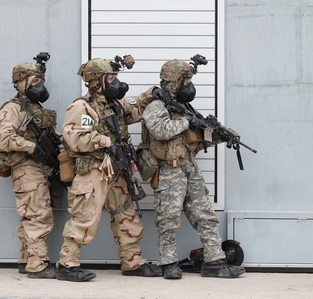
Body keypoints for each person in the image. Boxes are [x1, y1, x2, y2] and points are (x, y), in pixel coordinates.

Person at [56, 57, 167, 282]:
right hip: (94, 171)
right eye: (111, 77)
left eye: (116, 77)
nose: (117, 82)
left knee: (126, 215)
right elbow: (76, 139)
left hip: (116, 171)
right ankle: (67, 265)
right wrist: (107, 142)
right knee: (85, 218)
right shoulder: (82, 106)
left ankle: (132, 262)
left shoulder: (115, 104)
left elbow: (136, 111)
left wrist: (153, 93)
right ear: (96, 81)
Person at [142, 59, 244, 279]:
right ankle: (168, 263)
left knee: (205, 215)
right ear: (173, 81)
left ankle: (214, 261)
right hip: (169, 170)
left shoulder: (185, 108)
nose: (189, 85)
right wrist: (188, 122)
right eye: (186, 80)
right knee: (168, 220)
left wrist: (220, 135)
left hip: (189, 167)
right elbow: (161, 130)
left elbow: (194, 139)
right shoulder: (155, 106)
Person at [0, 62, 58, 278]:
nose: (40, 85)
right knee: (37, 216)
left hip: (39, 168)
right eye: (35, 81)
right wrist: (33, 147)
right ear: (22, 83)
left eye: (41, 81)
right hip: (26, 167)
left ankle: (26, 259)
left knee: (30, 215)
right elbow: (3, 138)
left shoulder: (37, 109)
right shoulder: (13, 108)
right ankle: (38, 264)